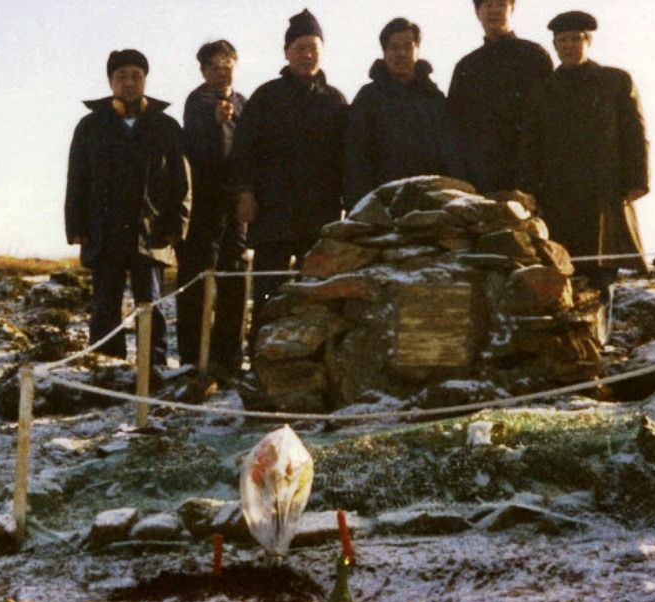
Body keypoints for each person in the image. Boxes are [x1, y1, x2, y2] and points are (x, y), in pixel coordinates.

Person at [230, 8, 347, 354]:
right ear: (286, 52)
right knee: (269, 293)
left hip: (320, 216)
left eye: (312, 47)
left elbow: (347, 158)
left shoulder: (336, 101)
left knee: (318, 295)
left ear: (322, 51)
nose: (306, 54)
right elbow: (244, 150)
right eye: (299, 47)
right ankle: (260, 361)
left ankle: (313, 362)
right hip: (273, 215)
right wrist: (245, 193)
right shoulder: (265, 97)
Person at [64, 49, 191, 366]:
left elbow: (182, 182)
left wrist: (178, 226)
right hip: (104, 233)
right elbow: (77, 179)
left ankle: (154, 369)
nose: (129, 82)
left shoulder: (166, 127)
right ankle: (107, 369)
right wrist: (76, 226)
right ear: (110, 82)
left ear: (145, 80)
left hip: (151, 233)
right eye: (121, 76)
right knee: (105, 307)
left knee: (152, 307)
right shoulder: (90, 126)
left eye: (136, 75)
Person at [517, 11, 650, 300]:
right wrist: (528, 193)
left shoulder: (614, 81)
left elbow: (635, 136)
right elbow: (530, 146)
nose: (568, 46)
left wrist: (637, 182)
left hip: (604, 194)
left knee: (602, 274)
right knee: (563, 272)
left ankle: (602, 336)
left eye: (575, 39)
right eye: (561, 40)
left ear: (587, 41)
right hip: (558, 196)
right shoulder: (543, 90)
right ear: (554, 46)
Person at [176, 40, 249, 379]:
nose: (223, 70)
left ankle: (229, 359)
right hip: (203, 205)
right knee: (197, 281)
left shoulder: (245, 103)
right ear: (204, 70)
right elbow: (199, 131)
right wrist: (216, 119)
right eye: (215, 65)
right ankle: (193, 359)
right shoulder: (199, 100)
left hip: (236, 204)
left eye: (228, 63)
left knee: (235, 279)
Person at [343, 18, 463, 209]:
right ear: (384, 53)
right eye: (394, 47)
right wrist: (361, 208)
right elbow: (356, 159)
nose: (401, 53)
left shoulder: (434, 98)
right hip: (382, 206)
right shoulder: (368, 99)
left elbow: (450, 156)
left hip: (430, 207)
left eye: (408, 46)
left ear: (417, 51)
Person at [447, 0, 552, 193]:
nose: (494, 11)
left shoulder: (534, 56)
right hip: (481, 177)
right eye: (488, 5)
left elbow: (550, 118)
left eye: (501, 4)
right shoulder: (466, 67)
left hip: (529, 174)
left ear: (512, 9)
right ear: (478, 12)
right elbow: (455, 126)